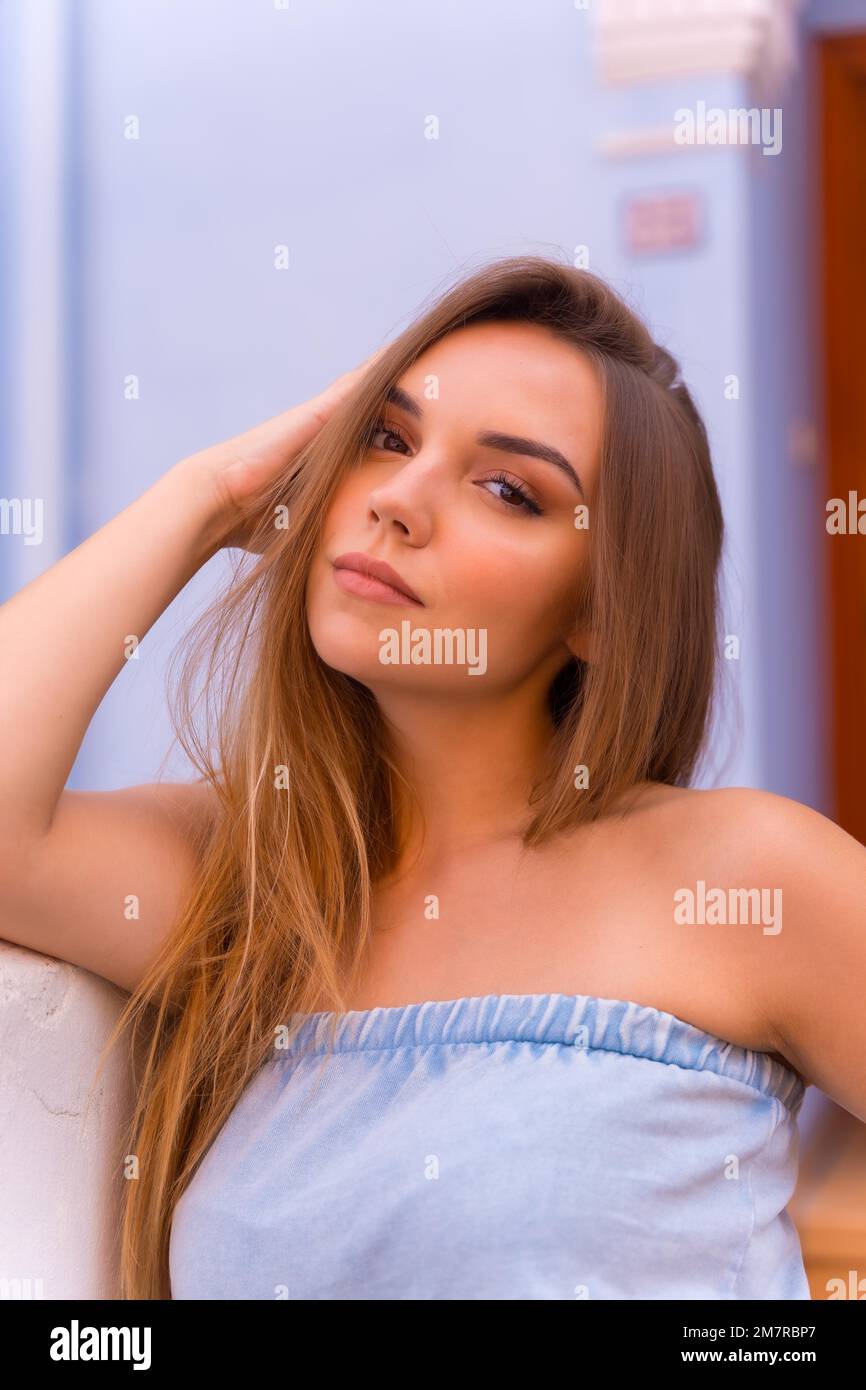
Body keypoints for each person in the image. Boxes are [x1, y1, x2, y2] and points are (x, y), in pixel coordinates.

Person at [1, 257, 864, 1300]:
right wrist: (205, 496)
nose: (398, 503)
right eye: (386, 438)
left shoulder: (739, 877)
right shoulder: (252, 886)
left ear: (600, 609)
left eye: (508, 489)